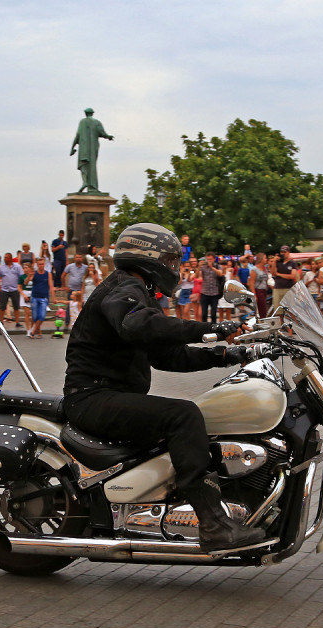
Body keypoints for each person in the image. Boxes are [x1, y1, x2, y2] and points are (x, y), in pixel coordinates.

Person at [62, 223, 264, 552]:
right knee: (182, 415)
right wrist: (210, 328)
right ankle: (212, 524)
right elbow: (138, 324)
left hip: (113, 396)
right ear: (148, 257)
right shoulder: (122, 290)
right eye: (171, 261)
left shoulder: (138, 294)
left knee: (195, 418)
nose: (174, 268)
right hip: (92, 398)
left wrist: (228, 354)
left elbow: (167, 355)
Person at [70, 108, 114, 193]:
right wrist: (109, 137)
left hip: (83, 148)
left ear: (85, 113)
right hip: (93, 148)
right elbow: (103, 133)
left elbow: (77, 135)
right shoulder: (97, 122)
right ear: (92, 113)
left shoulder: (82, 122)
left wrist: (72, 147)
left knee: (84, 165)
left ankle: (85, 182)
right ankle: (92, 187)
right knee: (92, 166)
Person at [268, 246, 300, 311]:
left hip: (288, 288)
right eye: (281, 252)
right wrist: (274, 262)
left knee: (289, 309)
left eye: (284, 252)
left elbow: (292, 276)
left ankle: (290, 320)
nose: (283, 254)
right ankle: (281, 321)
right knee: (278, 309)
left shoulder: (292, 263)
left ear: (288, 252)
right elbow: (273, 273)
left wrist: (279, 274)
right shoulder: (278, 262)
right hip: (278, 287)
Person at [0, 253, 24, 327]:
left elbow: (21, 276)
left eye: (6, 258)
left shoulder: (17, 267)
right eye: (4, 257)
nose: (5, 259)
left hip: (14, 289)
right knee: (2, 307)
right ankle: (1, 321)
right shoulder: (1, 267)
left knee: (16, 307)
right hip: (4, 289)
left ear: (10, 258)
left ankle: (17, 322)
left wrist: (20, 286)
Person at [29, 257, 53, 339]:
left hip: (44, 298)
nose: (41, 265)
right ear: (37, 265)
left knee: (42, 316)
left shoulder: (48, 274)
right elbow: (26, 282)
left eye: (42, 264)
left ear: (44, 264)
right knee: (35, 317)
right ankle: (39, 332)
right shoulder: (34, 273)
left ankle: (33, 331)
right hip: (35, 297)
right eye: (39, 264)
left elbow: (51, 286)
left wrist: (54, 298)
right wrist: (30, 275)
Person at [199, 252, 223, 323]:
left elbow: (220, 274)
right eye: (207, 259)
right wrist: (198, 267)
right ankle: (204, 328)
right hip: (205, 292)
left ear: (214, 259)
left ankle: (213, 327)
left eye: (210, 259)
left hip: (214, 293)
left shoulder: (218, 266)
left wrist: (212, 267)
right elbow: (198, 276)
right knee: (204, 314)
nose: (208, 261)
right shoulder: (203, 267)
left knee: (213, 313)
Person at [248, 253, 269, 319]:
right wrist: (254, 294)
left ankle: (263, 320)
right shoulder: (254, 269)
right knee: (262, 309)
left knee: (264, 308)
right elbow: (252, 282)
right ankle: (262, 321)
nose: (266, 260)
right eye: (265, 258)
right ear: (261, 259)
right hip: (258, 290)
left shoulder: (264, 268)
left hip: (264, 290)